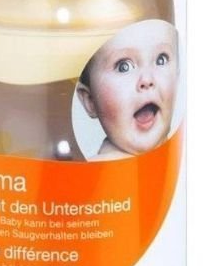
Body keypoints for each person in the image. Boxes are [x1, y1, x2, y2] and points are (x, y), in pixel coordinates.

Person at [76, 19, 179, 161]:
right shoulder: (102, 168)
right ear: (90, 101)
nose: (147, 80)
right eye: (123, 67)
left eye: (161, 59)